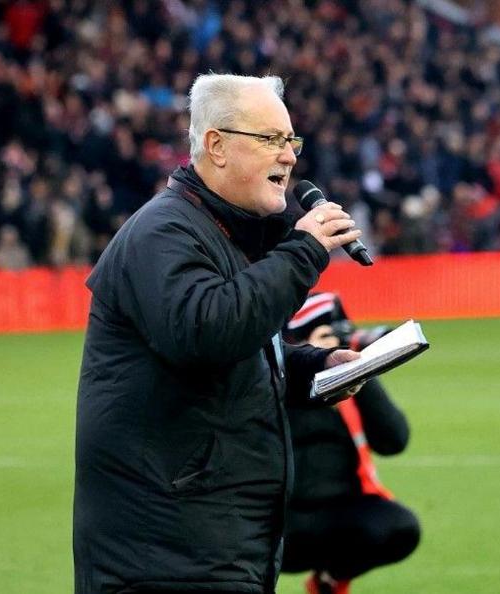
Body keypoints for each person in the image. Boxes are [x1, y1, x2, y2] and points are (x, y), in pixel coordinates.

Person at [74, 73, 365, 593]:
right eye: (271, 139)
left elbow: (239, 352)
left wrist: (315, 369)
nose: (290, 157)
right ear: (217, 146)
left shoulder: (227, 234)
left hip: (212, 543)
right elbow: (207, 332)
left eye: (291, 141)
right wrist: (303, 253)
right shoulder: (163, 231)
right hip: (165, 555)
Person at [281, 293, 421, 594]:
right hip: (277, 518)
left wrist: (358, 370)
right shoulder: (271, 375)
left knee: (400, 527)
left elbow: (394, 440)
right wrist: (309, 361)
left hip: (338, 515)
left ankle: (330, 580)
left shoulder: (353, 382)